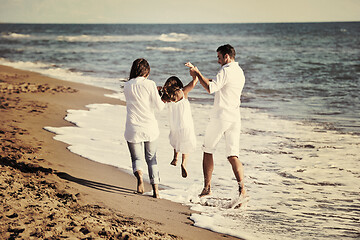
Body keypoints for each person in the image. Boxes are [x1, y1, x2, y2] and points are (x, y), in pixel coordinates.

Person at [188, 44, 246, 197]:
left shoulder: (225, 70)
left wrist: (198, 73)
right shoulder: (239, 71)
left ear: (226, 56)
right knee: (233, 155)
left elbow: (211, 88)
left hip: (221, 117)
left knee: (208, 150)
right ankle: (242, 190)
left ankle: (207, 189)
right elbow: (217, 82)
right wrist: (198, 77)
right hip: (235, 117)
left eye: (219, 58)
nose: (218, 61)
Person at [124, 58, 165, 198]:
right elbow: (159, 107)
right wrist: (162, 97)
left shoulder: (127, 85)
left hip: (132, 127)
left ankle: (140, 178)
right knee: (151, 159)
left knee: (136, 158)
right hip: (149, 127)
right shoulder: (150, 84)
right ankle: (156, 190)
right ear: (147, 71)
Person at [161, 63, 198, 178]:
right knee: (186, 142)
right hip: (185, 124)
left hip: (174, 124)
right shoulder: (183, 92)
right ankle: (184, 163)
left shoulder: (167, 96)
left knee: (176, 139)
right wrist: (193, 70)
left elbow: (159, 101)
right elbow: (195, 81)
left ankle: (175, 158)